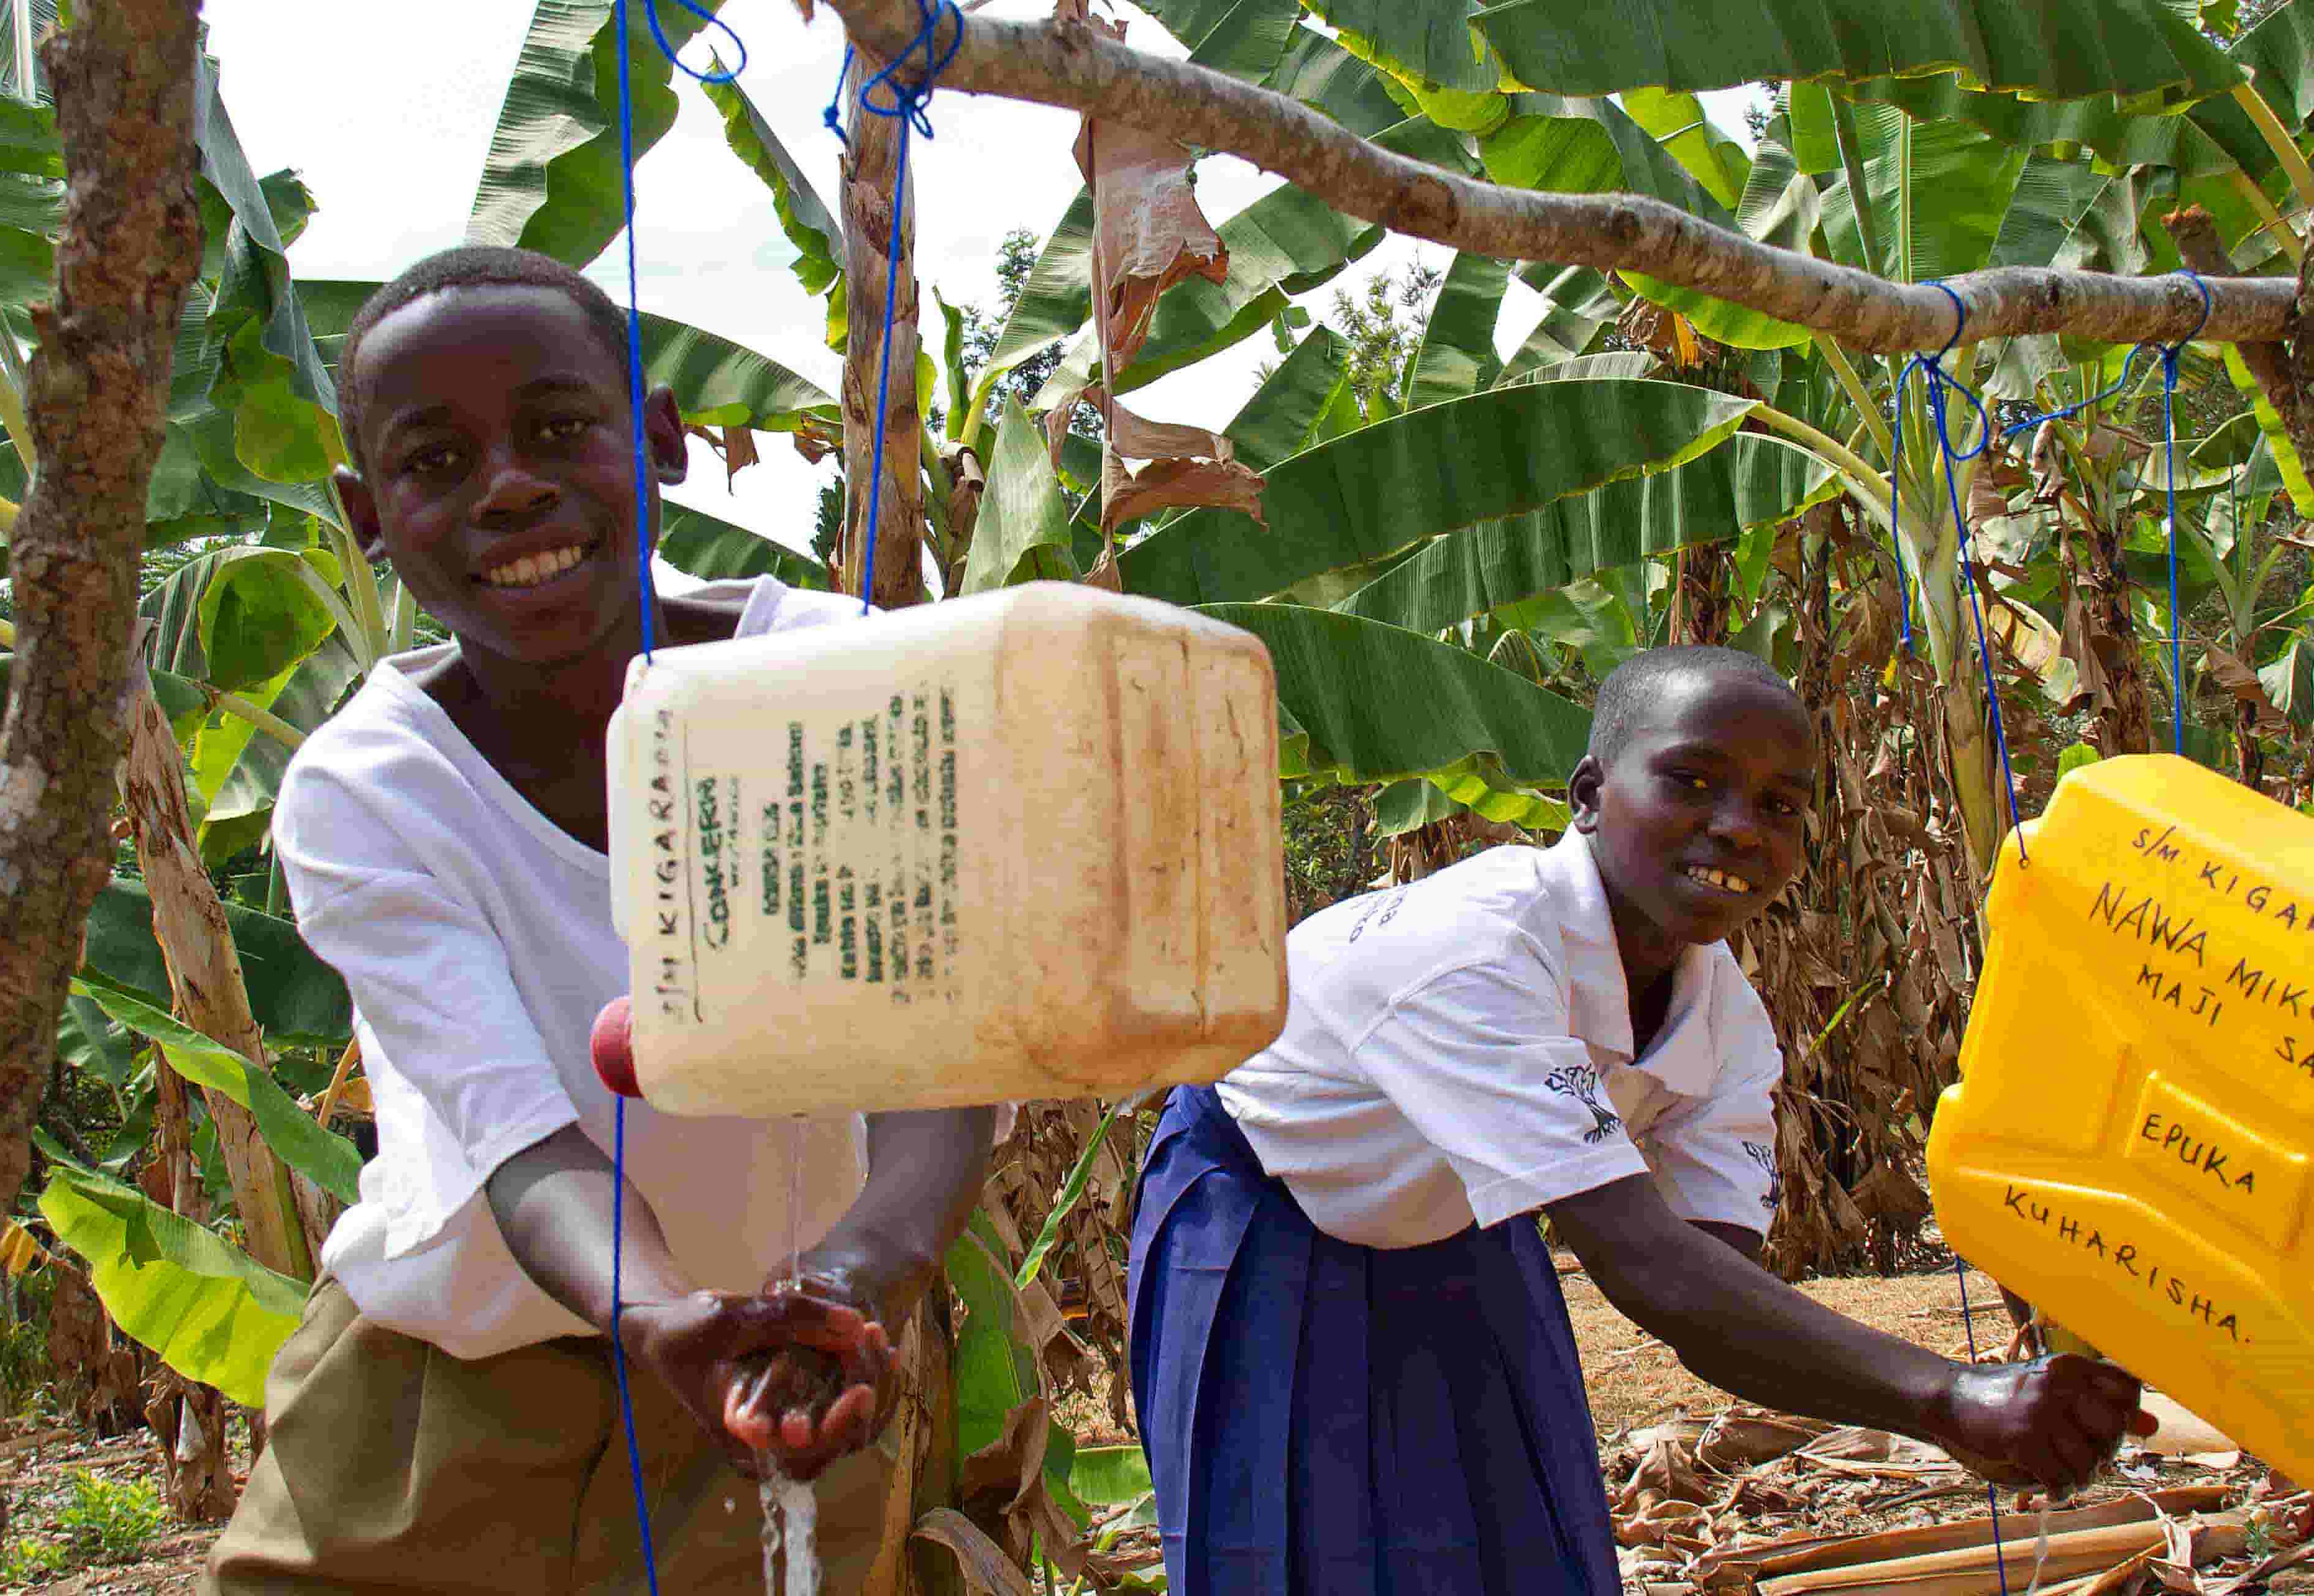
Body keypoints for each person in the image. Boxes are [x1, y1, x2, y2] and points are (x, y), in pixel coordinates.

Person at [204, 246, 996, 1596]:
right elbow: (517, 1135)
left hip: (779, 1384)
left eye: (561, 430)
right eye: (436, 462)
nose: (509, 485)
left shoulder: (843, 676)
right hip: (433, 1394)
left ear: (665, 440)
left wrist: (863, 1272)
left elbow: (951, 1040)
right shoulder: (369, 787)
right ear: (366, 515)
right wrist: (662, 1313)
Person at [1129, 645, 2153, 1595]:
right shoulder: (1472, 954)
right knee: (1294, 1549)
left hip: (1462, 1225)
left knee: (1528, 1543)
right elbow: (1650, 1268)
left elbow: (1714, 1295)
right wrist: (1946, 1398)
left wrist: (1964, 1408)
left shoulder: (1723, 1021)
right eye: (1693, 781)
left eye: (1782, 805)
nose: (1741, 827)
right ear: (1587, 796)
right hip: (1262, 1209)